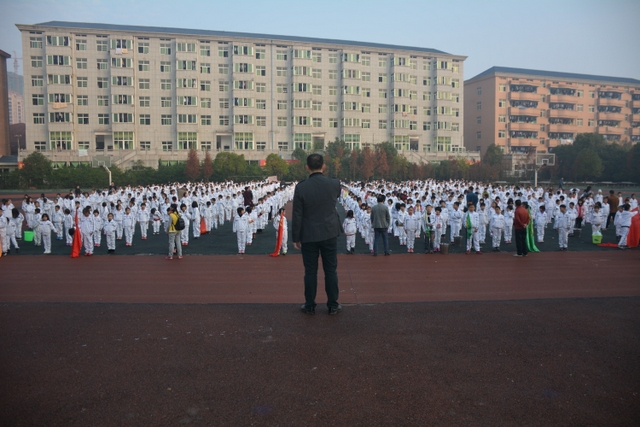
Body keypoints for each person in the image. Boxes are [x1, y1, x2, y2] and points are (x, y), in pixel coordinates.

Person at [292, 154, 342, 316]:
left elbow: (297, 215)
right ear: (324, 166)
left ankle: (310, 305)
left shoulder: (301, 187)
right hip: (329, 231)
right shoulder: (334, 184)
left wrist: (295, 237)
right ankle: (333, 304)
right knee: (331, 270)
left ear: (307, 167)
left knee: (310, 272)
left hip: (309, 234)